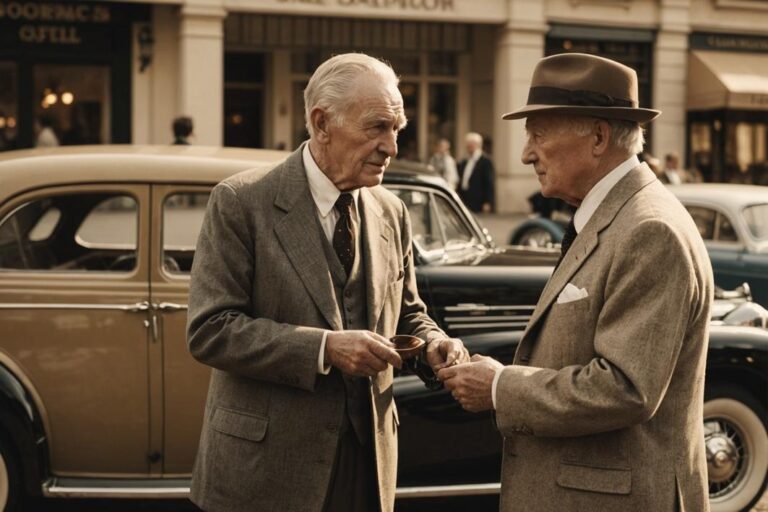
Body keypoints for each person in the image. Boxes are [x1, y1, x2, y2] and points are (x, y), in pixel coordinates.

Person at [186, 53, 467, 512]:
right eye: (377, 127)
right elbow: (210, 329)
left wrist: (433, 344)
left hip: (369, 464)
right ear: (321, 123)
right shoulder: (241, 202)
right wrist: (324, 348)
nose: (392, 146)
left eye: (397, 128)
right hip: (268, 471)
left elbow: (408, 310)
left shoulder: (391, 210)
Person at [439, 53, 713, 511]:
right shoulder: (619, 215)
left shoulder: (649, 230)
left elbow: (626, 388)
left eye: (539, 134)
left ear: (599, 137)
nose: (527, 153)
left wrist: (499, 387)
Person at [457, 132, 495, 213]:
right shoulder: (464, 161)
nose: (468, 146)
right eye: (467, 144)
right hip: (465, 198)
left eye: (471, 144)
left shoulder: (485, 161)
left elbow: (489, 182)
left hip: (478, 200)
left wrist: (487, 202)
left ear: (478, 145)